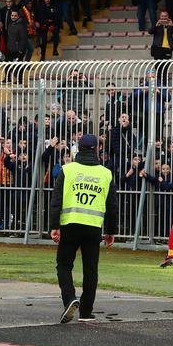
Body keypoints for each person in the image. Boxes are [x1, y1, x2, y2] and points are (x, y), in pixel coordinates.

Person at [50, 133, 118, 323]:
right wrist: (111, 231)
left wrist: (54, 226)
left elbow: (56, 200)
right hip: (93, 226)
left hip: (70, 224)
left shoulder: (67, 169)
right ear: (97, 149)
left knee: (64, 265)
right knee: (90, 269)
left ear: (78, 148)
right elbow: (112, 205)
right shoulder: (106, 173)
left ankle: (70, 298)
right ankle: (86, 312)